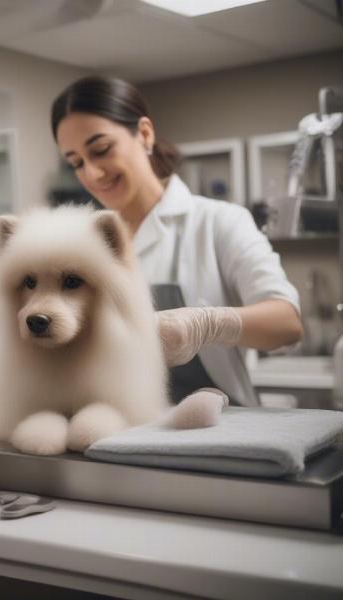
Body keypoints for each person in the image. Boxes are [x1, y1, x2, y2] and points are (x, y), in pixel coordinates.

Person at [51, 76, 303, 406]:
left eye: (101, 150)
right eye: (76, 163)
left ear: (144, 133)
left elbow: (287, 324)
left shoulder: (217, 221)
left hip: (223, 428)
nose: (92, 174)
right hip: (118, 429)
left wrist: (207, 325)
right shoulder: (80, 245)